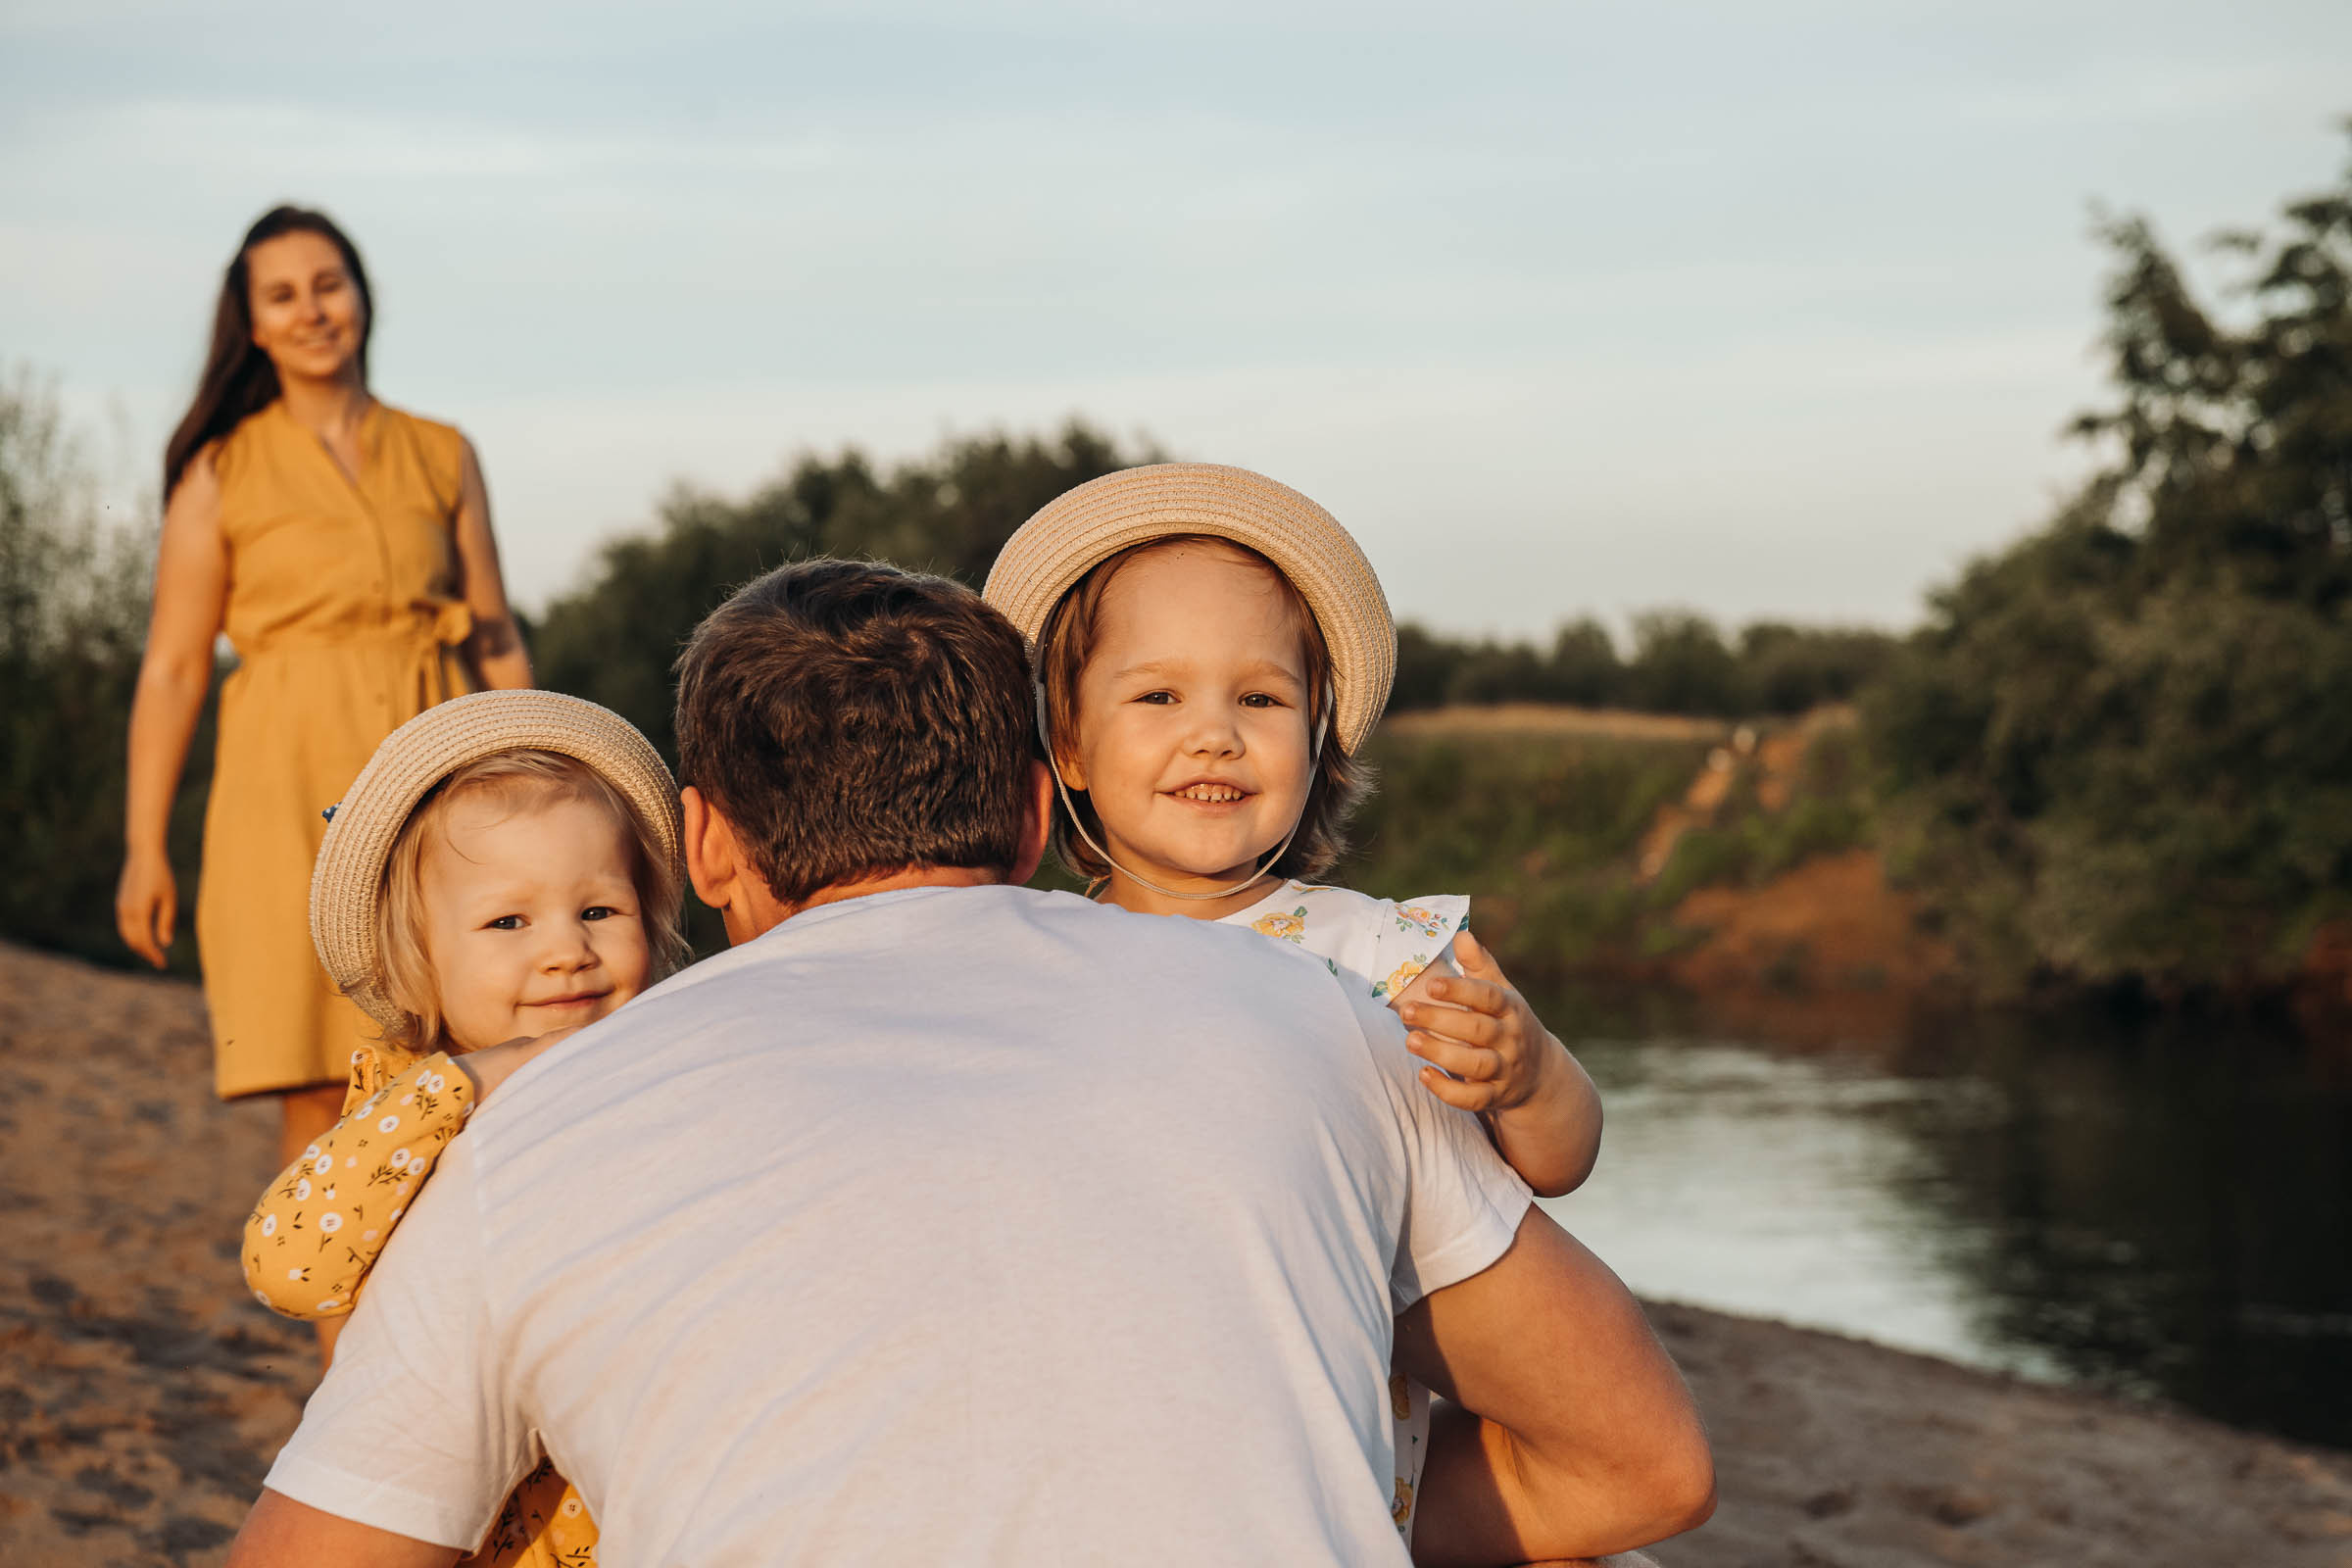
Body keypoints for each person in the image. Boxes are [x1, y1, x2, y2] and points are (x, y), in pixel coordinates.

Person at [226, 560, 1712, 1566]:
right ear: (1027, 806)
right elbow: (1644, 1464)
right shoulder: (1323, 1015)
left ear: (703, 843)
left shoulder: (534, 1131)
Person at [982, 461, 1606, 1538]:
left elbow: (1560, 1162)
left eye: (1261, 698)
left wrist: (1531, 1074)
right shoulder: (1035, 960)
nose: (1215, 733)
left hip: (1323, 1473)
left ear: (1318, 737)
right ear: (1069, 745)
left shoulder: (1378, 950)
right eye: (1159, 694)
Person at [115, 205, 534, 1212]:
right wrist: (144, 845)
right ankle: (347, 1369)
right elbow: (173, 668)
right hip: (280, 797)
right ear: (253, 324)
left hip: (432, 790)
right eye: (284, 294)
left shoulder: (443, 453)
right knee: (318, 1100)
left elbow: (495, 635)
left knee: (455, 1065)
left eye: (328, 284)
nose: (313, 310)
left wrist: (540, 780)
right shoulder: (220, 472)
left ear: (361, 295)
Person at [241, 689, 695, 1568]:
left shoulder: (659, 1076)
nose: (565, 949)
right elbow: (291, 1266)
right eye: (508, 922)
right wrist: (472, 1081)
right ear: (420, 957)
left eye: (599, 910)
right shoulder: (407, 1101)